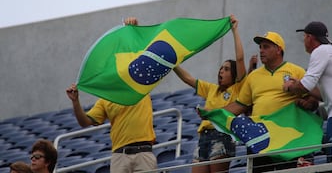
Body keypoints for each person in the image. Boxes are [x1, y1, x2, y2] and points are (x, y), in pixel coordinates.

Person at [66, 17, 157, 173]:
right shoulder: (105, 99)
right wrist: (75, 102)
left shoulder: (140, 84)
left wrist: (133, 31)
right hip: (119, 156)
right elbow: (85, 122)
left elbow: (144, 55)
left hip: (143, 153)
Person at [223, 31, 319, 172]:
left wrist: (308, 103)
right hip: (261, 137)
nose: (261, 51)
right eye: (260, 47)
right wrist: (215, 113)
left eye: (266, 47)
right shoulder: (253, 77)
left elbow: (314, 98)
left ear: (279, 49)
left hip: (288, 138)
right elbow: (240, 105)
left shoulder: (296, 71)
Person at [173, 14, 247, 173]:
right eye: (221, 68)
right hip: (203, 137)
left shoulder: (237, 88)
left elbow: (240, 59)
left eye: (226, 69)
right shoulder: (211, 89)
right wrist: (172, 63)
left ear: (234, 74)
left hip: (222, 136)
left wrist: (235, 31)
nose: (221, 71)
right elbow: (187, 78)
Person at [283, 21, 332, 161]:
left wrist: (290, 86)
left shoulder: (320, 51)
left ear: (310, 38)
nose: (304, 41)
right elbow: (323, 95)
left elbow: (304, 86)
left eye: (304, 37)